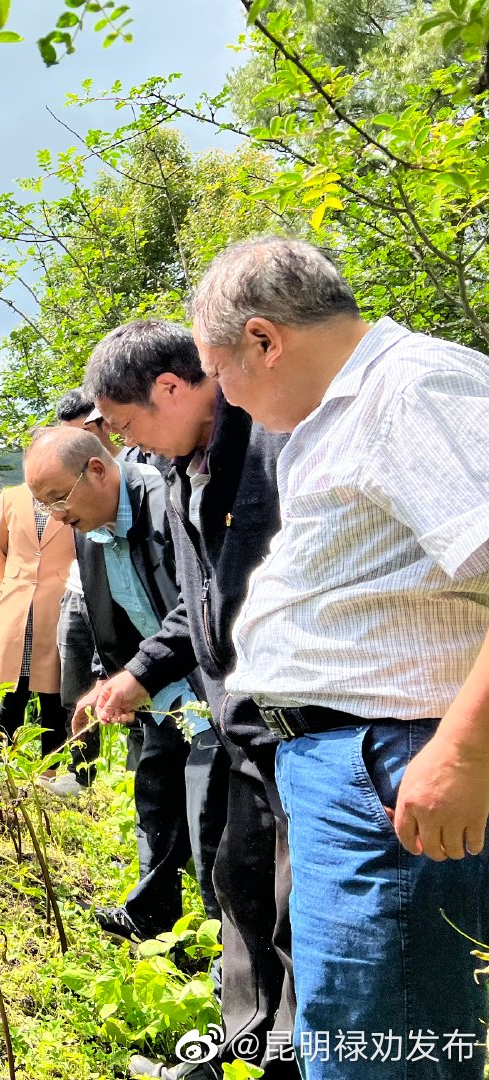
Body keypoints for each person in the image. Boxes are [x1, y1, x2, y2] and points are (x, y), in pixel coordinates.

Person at [191, 236, 489, 1080]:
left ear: (263, 339)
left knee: (379, 1044)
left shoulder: (413, 387)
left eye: (223, 372)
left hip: (396, 763)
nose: (231, 399)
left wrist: (464, 752)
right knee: (355, 1029)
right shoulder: (340, 416)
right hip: (352, 763)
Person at [82, 319, 295, 1080]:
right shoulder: (180, 470)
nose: (126, 445)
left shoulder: (268, 442)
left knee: (293, 913)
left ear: (171, 389)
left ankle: (287, 1059)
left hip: (301, 721)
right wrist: (137, 674)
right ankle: (244, 1047)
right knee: (239, 889)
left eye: (128, 423)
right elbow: (198, 605)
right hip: (238, 716)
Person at [27, 428, 224, 941]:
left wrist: (139, 674)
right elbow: (106, 613)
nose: (56, 515)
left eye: (58, 499)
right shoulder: (86, 525)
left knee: (210, 815)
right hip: (157, 689)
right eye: (44, 503)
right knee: (155, 795)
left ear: (97, 470)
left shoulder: (166, 506)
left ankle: (225, 947)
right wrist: (104, 679)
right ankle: (151, 916)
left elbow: (200, 606)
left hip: (206, 683)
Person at [0, 446, 89, 797]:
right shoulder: (10, 498)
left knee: (52, 695)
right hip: (17, 607)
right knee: (12, 693)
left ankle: (48, 772)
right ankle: (2, 765)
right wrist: (11, 587)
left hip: (58, 606)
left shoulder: (70, 499)